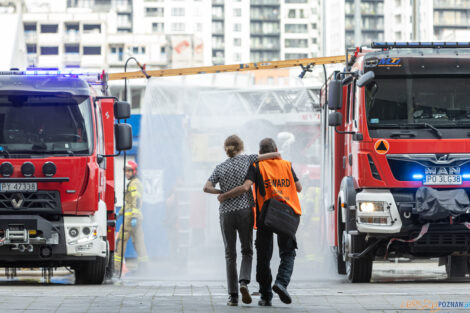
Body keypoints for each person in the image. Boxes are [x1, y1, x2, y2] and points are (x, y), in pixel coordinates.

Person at [218, 138, 302, 306]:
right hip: (286, 214)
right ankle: (281, 283)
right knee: (288, 252)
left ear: (260, 153)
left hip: (265, 216)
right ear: (275, 149)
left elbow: (246, 186)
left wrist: (224, 195)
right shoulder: (286, 165)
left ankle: (265, 296)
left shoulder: (257, 166)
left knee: (263, 257)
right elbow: (298, 187)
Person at [203, 135, 280, 306]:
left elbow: (206, 188)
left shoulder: (220, 167)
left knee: (230, 254)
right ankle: (244, 282)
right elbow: (273, 155)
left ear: (226, 149)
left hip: (226, 214)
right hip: (245, 211)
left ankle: (233, 296)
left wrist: (220, 193)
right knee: (247, 250)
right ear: (241, 147)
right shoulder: (248, 159)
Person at [114, 160, 149, 274]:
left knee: (120, 241)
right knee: (138, 242)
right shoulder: (135, 182)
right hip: (135, 218)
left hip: (131, 219)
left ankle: (116, 268)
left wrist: (133, 217)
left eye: (129, 171)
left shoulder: (134, 183)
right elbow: (128, 204)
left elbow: (136, 201)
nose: (127, 173)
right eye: (125, 171)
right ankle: (144, 267)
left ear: (134, 171)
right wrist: (119, 214)